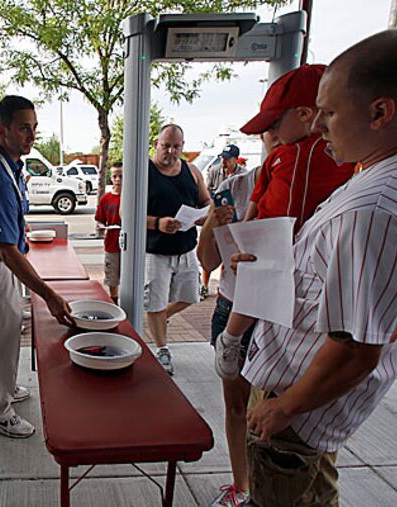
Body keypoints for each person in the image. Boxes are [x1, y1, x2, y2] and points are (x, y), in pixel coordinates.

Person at [235, 30, 397, 506]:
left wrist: (284, 408)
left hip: (299, 403)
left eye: (330, 112)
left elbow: (355, 346)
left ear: (380, 112)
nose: (320, 126)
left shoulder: (377, 206)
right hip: (312, 404)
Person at [214, 64, 355, 381]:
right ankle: (231, 338)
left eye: (276, 123)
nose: (272, 134)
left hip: (289, 271)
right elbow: (260, 207)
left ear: (307, 115)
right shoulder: (289, 157)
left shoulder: (300, 155)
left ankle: (231, 338)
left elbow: (275, 219)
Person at [0, 95, 74, 439]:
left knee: (8, 332)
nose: (32, 135)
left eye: (35, 128)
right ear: (2, 128)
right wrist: (49, 294)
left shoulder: (6, 163)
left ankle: (5, 389)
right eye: (24, 128)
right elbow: (6, 250)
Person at [196, 131, 280, 506]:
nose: (275, 138)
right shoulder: (235, 186)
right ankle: (242, 487)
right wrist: (213, 224)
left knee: (274, 413)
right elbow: (208, 261)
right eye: (269, 130)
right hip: (233, 305)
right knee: (236, 405)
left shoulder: (320, 185)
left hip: (279, 315)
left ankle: (265, 490)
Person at [145, 124, 212, 375]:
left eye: (176, 146)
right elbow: (125, 214)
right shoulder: (144, 172)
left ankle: (162, 317)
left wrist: (205, 215)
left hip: (185, 248)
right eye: (166, 146)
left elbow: (206, 201)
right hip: (154, 251)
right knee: (154, 302)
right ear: (156, 143)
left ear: (183, 147)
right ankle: (162, 349)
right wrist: (157, 223)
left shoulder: (192, 171)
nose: (171, 152)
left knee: (191, 295)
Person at [201, 144, 248, 299]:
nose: (224, 162)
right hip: (217, 217)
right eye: (222, 158)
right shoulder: (215, 171)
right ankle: (204, 286)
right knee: (210, 251)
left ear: (235, 160)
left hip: (233, 224)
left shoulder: (243, 177)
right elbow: (207, 191)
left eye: (227, 159)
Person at [95, 162, 122, 304]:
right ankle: (114, 301)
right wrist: (102, 227)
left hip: (129, 244)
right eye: (115, 176)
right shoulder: (106, 198)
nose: (118, 179)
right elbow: (100, 220)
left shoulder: (132, 197)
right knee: (112, 276)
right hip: (112, 243)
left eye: (121, 176)